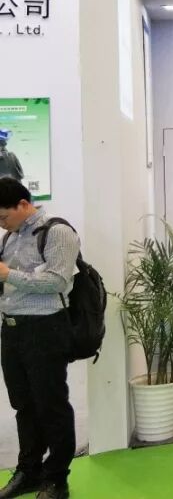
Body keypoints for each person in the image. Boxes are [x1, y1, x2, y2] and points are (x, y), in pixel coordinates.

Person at [0, 177, 79, 499]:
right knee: (24, 405)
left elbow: (57, 281)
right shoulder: (10, 237)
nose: (1, 223)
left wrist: (9, 274)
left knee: (51, 405)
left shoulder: (57, 231)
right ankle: (29, 471)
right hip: (11, 329)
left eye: (3, 216)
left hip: (45, 329)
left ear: (23, 204)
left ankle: (57, 477)